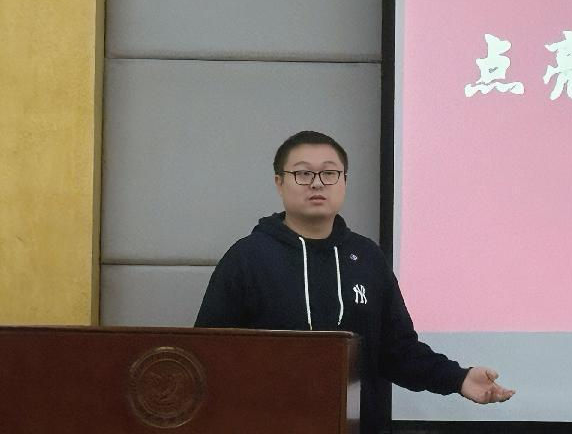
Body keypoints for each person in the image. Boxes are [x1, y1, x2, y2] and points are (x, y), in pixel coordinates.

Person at [195, 130, 514, 433]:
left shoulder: (368, 257)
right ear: (279, 182)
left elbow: (397, 350)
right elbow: (208, 356)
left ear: (344, 181)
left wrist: (458, 378)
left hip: (358, 427)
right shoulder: (247, 258)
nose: (316, 183)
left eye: (329, 173)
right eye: (303, 173)